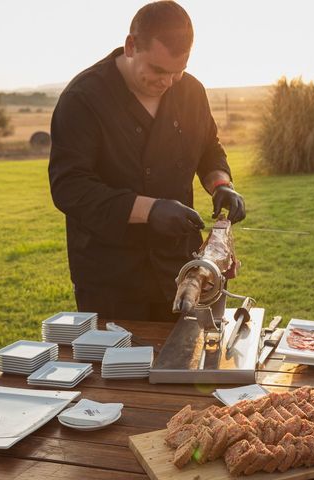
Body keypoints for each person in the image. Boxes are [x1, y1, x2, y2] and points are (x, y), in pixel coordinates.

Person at [48, 1, 245, 322]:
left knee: (183, 364)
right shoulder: (83, 99)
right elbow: (69, 188)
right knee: (117, 370)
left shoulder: (191, 92)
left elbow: (209, 148)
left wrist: (221, 183)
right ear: (130, 46)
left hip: (181, 269)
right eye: (157, 70)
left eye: (177, 72)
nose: (167, 82)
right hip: (112, 276)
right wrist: (149, 210)